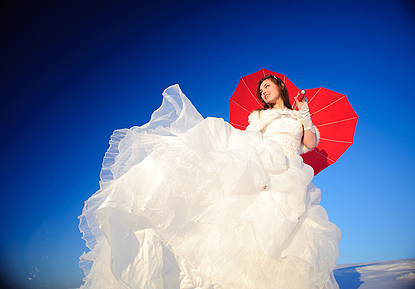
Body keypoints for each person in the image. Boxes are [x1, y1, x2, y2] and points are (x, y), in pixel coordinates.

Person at [79, 76, 341, 289]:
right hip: (263, 166)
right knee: (246, 222)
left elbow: (310, 143)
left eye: (267, 87)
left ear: (280, 87)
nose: (263, 92)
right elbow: (248, 140)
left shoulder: (298, 118)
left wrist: (303, 110)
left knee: (288, 239)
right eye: (260, 90)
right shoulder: (257, 117)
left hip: (290, 172)